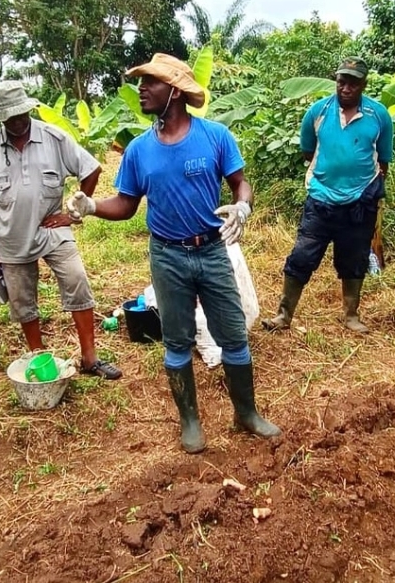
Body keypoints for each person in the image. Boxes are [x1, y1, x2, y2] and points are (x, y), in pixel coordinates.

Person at [66, 53, 281, 453]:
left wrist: (242, 207)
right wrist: (92, 207)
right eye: (141, 82)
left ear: (175, 92)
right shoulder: (138, 151)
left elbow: (241, 183)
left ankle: (246, 414)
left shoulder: (215, 136)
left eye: (151, 82)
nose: (142, 89)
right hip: (167, 256)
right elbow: (127, 205)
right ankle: (190, 422)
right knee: (177, 342)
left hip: (213, 250)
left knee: (233, 337)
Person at [0, 80, 122, 380]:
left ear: (28, 110)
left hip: (52, 229)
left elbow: (91, 169)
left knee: (77, 280)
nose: (16, 121)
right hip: (11, 236)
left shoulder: (54, 137)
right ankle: (40, 359)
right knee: (22, 299)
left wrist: (73, 213)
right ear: (1, 117)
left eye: (20, 114)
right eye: (9, 117)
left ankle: (90, 358)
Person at [262, 57, 393, 334]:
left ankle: (351, 315)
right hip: (321, 200)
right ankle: (283, 316)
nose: (346, 88)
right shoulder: (318, 112)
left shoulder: (378, 115)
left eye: (353, 83)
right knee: (301, 256)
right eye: (341, 81)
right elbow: (309, 152)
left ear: (363, 85)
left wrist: (368, 191)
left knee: (354, 259)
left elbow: (383, 161)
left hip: (360, 203)